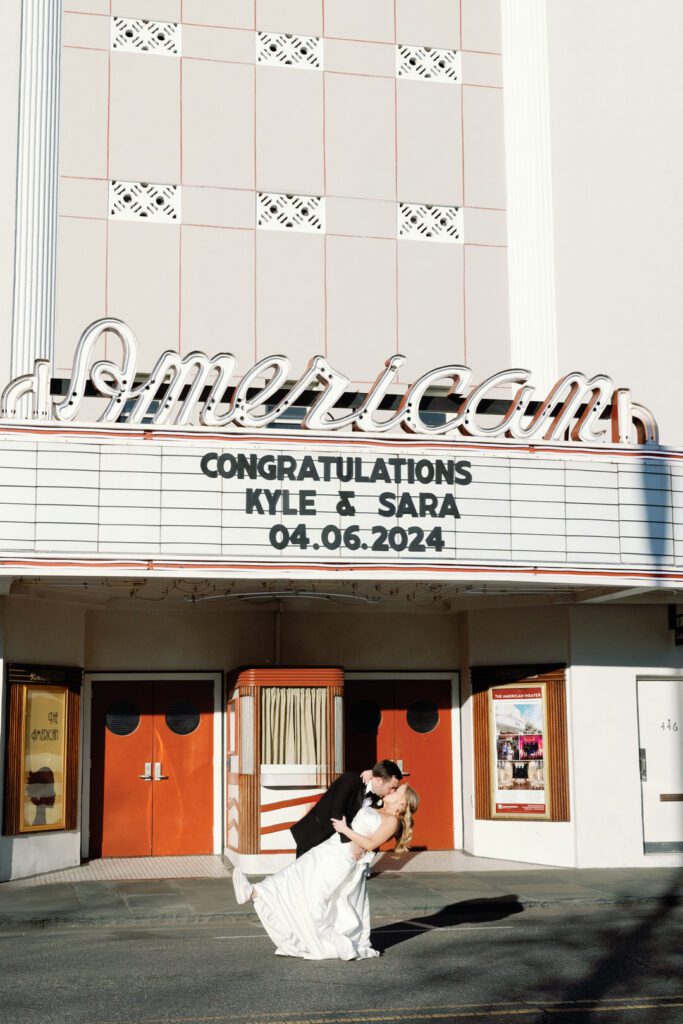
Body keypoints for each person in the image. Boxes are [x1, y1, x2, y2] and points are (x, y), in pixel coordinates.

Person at [232, 782, 420, 960]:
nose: (392, 791)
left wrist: (346, 830)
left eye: (397, 791)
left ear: (402, 802)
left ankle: (323, 944)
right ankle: (256, 891)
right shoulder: (376, 806)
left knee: (318, 896)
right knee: (296, 873)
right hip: (332, 846)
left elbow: (371, 843)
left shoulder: (392, 821)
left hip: (343, 858)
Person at [290, 759, 403, 858]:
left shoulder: (378, 798)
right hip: (316, 836)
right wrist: (352, 842)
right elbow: (336, 812)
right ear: (379, 780)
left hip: (337, 849)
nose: (392, 791)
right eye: (392, 787)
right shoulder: (350, 780)